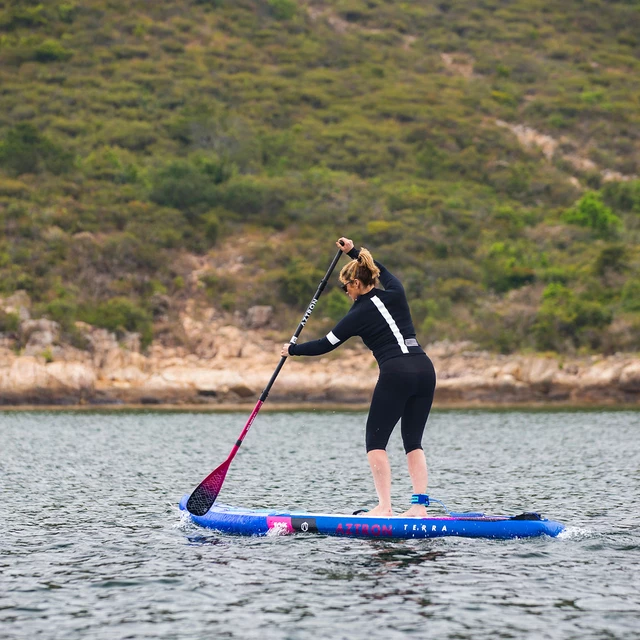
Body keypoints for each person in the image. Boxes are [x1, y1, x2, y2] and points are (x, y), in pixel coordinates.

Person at [281, 237, 437, 517]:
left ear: (355, 284)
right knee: (413, 441)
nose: (346, 293)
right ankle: (419, 507)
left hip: (396, 372)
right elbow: (383, 269)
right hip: (425, 370)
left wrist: (293, 350)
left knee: (375, 442)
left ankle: (385, 507)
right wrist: (353, 251)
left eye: (345, 287)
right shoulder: (396, 292)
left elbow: (325, 344)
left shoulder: (358, 314)